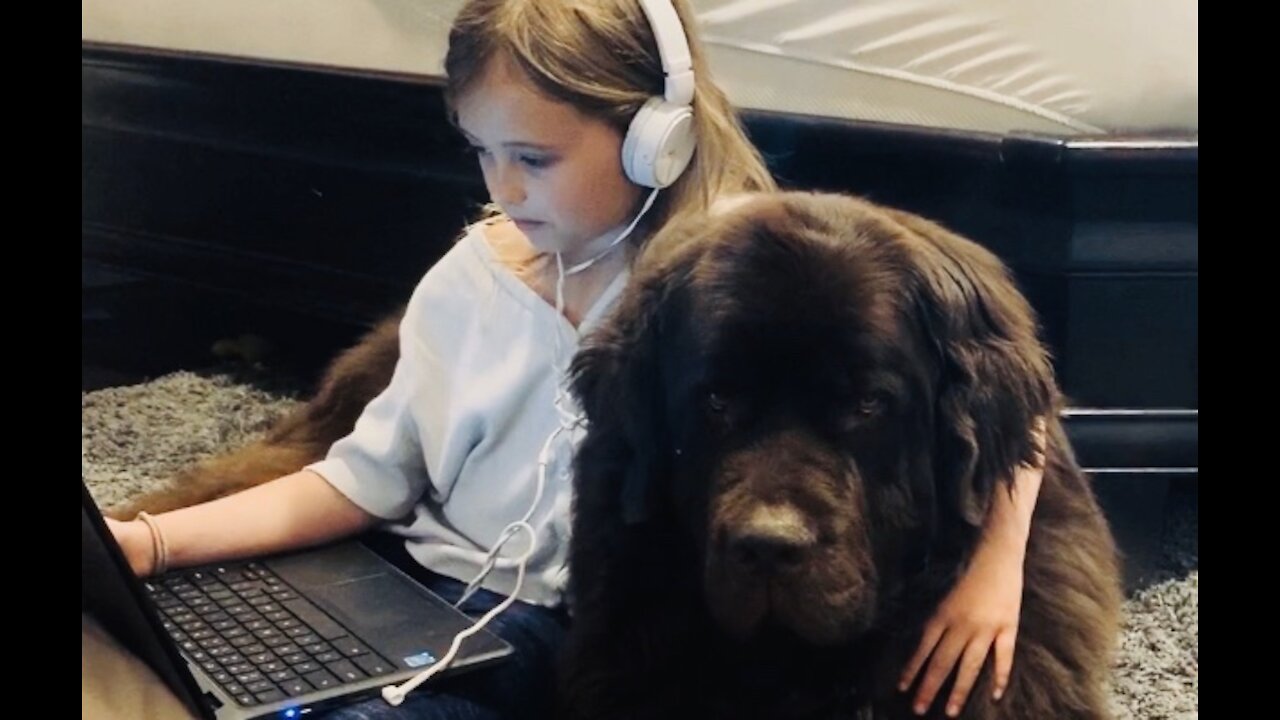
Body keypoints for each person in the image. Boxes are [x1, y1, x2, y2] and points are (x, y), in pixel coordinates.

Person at [104, 1, 1046, 717]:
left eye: (535, 158)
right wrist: (148, 541)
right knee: (153, 659)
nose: (504, 188)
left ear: (655, 138)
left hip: (537, 622)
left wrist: (996, 568)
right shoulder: (472, 272)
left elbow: (1018, 401)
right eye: (483, 152)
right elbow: (364, 476)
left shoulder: (743, 276)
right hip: (398, 581)